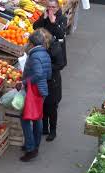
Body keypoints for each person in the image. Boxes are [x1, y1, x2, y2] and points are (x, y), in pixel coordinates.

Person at [33, 0, 67, 141]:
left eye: (53, 7)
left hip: (52, 70)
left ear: (58, 7)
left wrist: (53, 22)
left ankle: (52, 129)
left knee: (52, 103)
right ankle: (44, 128)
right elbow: (35, 28)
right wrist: (43, 19)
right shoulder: (45, 17)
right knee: (43, 101)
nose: (50, 9)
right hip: (43, 61)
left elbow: (61, 34)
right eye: (48, 7)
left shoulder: (61, 19)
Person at [16, 30, 52, 162]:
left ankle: (30, 148)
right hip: (42, 90)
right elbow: (47, 74)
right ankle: (35, 145)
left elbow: (38, 74)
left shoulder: (35, 56)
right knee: (37, 118)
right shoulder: (44, 54)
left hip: (34, 91)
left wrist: (24, 82)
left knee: (25, 118)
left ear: (31, 43)